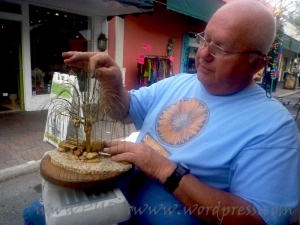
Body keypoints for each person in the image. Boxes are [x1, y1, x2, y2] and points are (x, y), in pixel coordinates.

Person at [24, 1, 299, 225]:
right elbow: (123, 111)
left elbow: (258, 220)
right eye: (205, 40)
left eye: (221, 48)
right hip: (124, 189)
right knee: (36, 216)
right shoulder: (181, 81)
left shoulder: (274, 128)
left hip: (170, 213)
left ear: (257, 63)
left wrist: (164, 169)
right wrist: (110, 80)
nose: (204, 53)